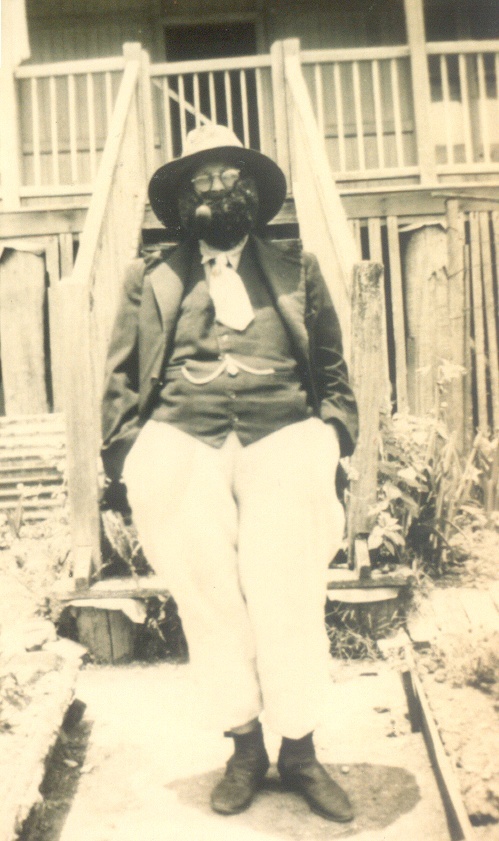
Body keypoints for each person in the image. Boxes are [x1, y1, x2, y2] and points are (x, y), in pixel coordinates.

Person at [101, 124, 358, 822]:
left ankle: (299, 749)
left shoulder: (295, 266)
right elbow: (122, 375)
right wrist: (127, 454)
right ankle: (245, 746)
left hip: (284, 436)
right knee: (207, 594)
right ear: (182, 204)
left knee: (288, 590)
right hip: (183, 439)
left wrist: (332, 434)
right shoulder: (149, 277)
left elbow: (331, 365)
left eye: (231, 178)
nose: (219, 191)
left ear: (255, 193)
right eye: (201, 182)